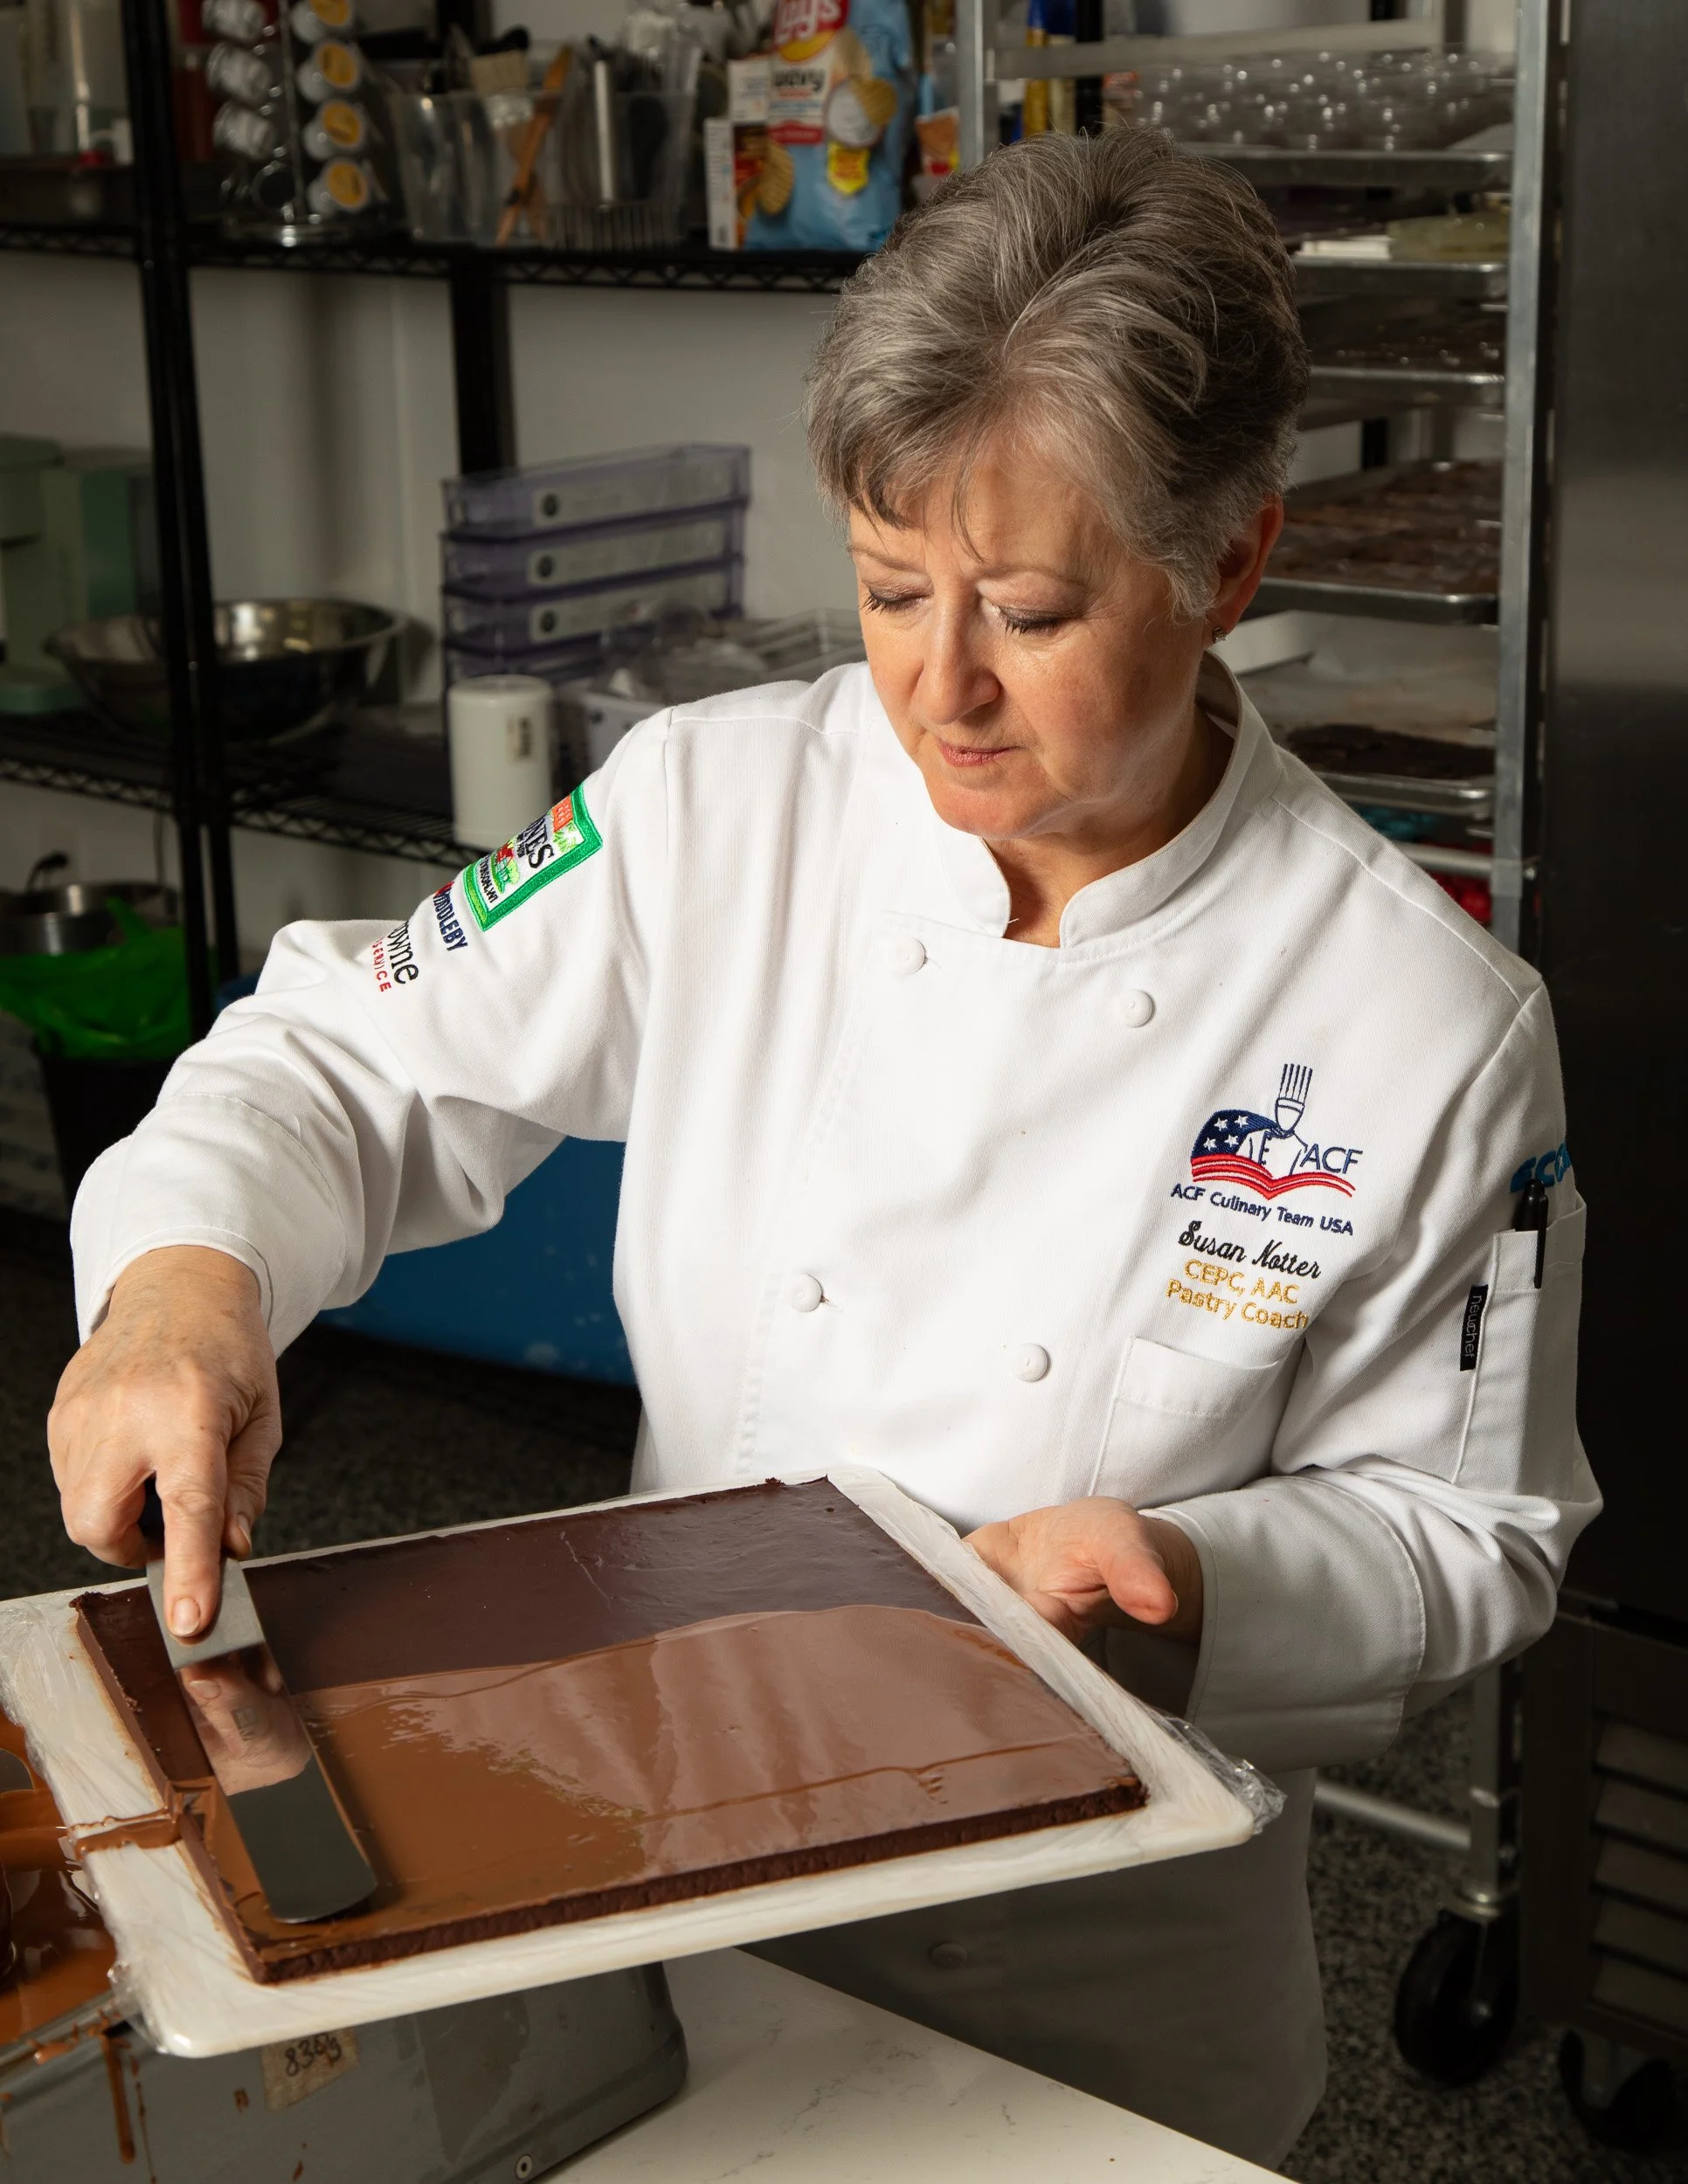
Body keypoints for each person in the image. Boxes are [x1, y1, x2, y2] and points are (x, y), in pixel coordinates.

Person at [48, 129, 1596, 2167]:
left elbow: (1469, 1532)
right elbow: (346, 1055)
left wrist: (1195, 1587)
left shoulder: (1419, 1016)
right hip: (662, 1868)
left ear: (1227, 566)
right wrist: (181, 1286)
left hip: (1090, 1983)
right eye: (887, 588)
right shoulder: (717, 804)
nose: (938, 686)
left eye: (1028, 610)